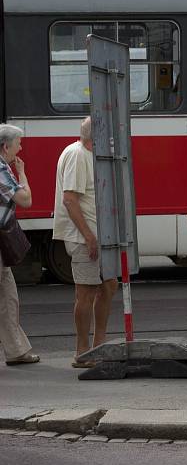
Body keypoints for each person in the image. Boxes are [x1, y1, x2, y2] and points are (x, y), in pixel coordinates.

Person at [53, 117, 119, 368]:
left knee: (109, 285)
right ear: (97, 138)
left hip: (97, 236)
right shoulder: (78, 155)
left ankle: (98, 344)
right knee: (86, 292)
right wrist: (89, 236)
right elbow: (70, 200)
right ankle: (82, 351)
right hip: (84, 238)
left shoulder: (86, 154)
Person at [0, 125, 39, 366]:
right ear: (6, 147)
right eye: (18, 144)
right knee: (6, 297)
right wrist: (22, 173)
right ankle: (16, 350)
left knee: (8, 297)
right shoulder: (1, 169)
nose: (21, 148)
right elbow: (26, 200)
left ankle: (16, 351)